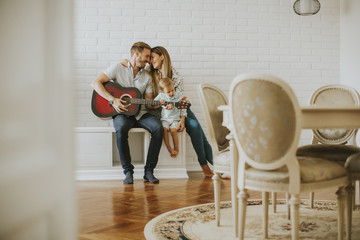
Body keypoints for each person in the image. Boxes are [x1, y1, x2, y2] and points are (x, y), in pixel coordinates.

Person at [91, 42, 164, 184]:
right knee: (121, 128)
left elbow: (148, 102)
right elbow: (95, 83)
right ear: (136, 54)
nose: (149, 60)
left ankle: (149, 171)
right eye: (147, 56)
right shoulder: (118, 68)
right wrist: (113, 100)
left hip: (141, 113)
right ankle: (128, 172)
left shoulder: (147, 76)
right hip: (123, 113)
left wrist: (159, 104)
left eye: (150, 57)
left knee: (158, 128)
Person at [149, 46, 214, 178]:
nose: (150, 61)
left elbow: (182, 103)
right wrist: (125, 62)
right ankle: (205, 166)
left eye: (152, 57)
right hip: (165, 114)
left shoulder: (176, 76)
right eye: (149, 58)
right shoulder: (150, 73)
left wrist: (183, 120)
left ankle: (221, 168)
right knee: (196, 127)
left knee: (198, 131)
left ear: (162, 56)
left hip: (180, 110)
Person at [154, 77, 183, 158]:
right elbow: (153, 103)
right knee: (164, 130)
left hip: (175, 118)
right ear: (163, 92)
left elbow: (182, 102)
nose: (171, 93)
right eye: (168, 92)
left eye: (172, 90)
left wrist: (182, 100)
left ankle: (176, 149)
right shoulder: (161, 95)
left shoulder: (177, 95)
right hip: (165, 119)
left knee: (174, 131)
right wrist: (160, 103)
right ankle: (169, 149)